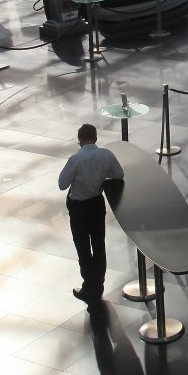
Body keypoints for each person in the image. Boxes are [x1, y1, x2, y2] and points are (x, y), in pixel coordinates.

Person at [58, 123, 124, 304]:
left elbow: (62, 184)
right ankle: (98, 283)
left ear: (79, 140)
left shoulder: (75, 159)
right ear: (95, 138)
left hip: (79, 209)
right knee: (99, 245)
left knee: (83, 248)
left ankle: (89, 286)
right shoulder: (106, 155)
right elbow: (119, 174)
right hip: (96, 204)